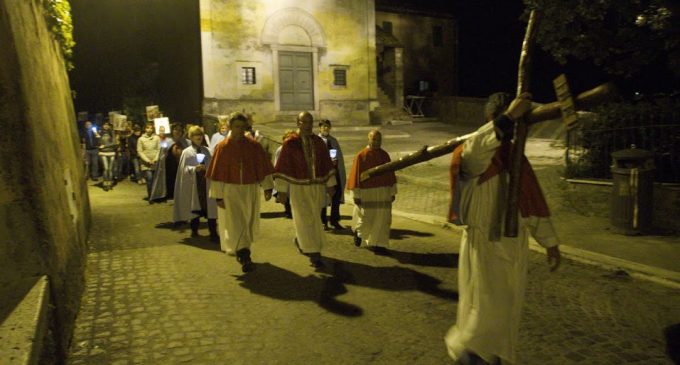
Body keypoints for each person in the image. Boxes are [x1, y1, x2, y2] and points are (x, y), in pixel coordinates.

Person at [444, 92, 561, 365]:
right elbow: (477, 148)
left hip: (513, 245)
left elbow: (531, 204)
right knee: (484, 309)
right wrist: (509, 117)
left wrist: (550, 243)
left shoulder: (515, 159)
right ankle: (469, 355)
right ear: (489, 120)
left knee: (504, 310)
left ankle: (489, 357)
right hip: (484, 243)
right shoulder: (476, 155)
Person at [206, 112, 275, 273]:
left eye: (242, 127)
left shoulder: (254, 146)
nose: (239, 130)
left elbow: (262, 167)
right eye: (236, 127)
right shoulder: (222, 147)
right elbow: (216, 174)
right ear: (230, 127)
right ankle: (244, 255)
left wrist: (267, 187)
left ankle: (242, 249)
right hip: (230, 191)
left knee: (247, 221)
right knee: (235, 222)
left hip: (250, 189)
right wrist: (217, 196)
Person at [274, 111, 336, 268]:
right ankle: (313, 252)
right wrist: (281, 191)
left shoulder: (318, 142)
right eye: (304, 122)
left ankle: (303, 241)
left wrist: (331, 185)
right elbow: (283, 168)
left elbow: (326, 164)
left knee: (314, 218)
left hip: (316, 187)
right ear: (298, 123)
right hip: (298, 187)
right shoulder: (290, 144)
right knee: (303, 219)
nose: (308, 125)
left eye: (310, 122)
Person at [346, 130, 397, 255]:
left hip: (383, 192)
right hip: (367, 193)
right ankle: (359, 233)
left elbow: (390, 174)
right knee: (366, 219)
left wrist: (392, 191)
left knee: (383, 219)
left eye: (379, 140)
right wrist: (356, 195)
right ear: (369, 139)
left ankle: (379, 243)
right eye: (374, 139)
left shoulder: (385, 155)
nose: (376, 142)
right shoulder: (361, 156)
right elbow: (355, 176)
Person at [173, 126, 218, 240]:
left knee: (210, 208)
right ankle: (194, 230)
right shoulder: (187, 152)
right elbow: (183, 170)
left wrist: (207, 168)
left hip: (206, 183)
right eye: (195, 135)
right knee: (195, 206)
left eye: (200, 135)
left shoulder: (206, 151)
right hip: (194, 184)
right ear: (191, 137)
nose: (198, 137)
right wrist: (194, 169)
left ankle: (213, 232)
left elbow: (212, 166)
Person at [318, 119, 347, 230]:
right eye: (323, 126)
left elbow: (337, 156)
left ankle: (335, 220)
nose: (325, 128)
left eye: (327, 126)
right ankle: (322, 221)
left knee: (336, 196)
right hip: (323, 174)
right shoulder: (316, 140)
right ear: (320, 127)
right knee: (323, 197)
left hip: (335, 173)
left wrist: (335, 163)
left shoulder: (333, 140)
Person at [274, 130, 296, 219]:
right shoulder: (280, 149)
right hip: (284, 174)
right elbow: (277, 161)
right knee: (285, 192)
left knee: (292, 193)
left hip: (293, 174)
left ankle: (292, 210)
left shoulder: (295, 150)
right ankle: (288, 210)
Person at [137, 122, 160, 199]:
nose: (149, 130)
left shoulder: (157, 138)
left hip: (155, 162)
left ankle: (155, 195)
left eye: (151, 128)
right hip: (146, 163)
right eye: (147, 128)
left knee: (155, 180)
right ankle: (150, 196)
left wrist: (155, 159)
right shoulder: (141, 139)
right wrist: (147, 160)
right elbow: (140, 151)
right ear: (145, 129)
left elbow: (159, 149)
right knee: (149, 179)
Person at [98, 122, 118, 191]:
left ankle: (110, 183)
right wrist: (98, 138)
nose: (106, 126)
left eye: (107, 125)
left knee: (110, 169)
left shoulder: (112, 132)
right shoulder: (100, 132)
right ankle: (105, 183)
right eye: (104, 124)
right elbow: (98, 142)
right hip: (103, 152)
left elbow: (114, 143)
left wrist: (105, 145)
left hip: (111, 152)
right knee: (106, 168)